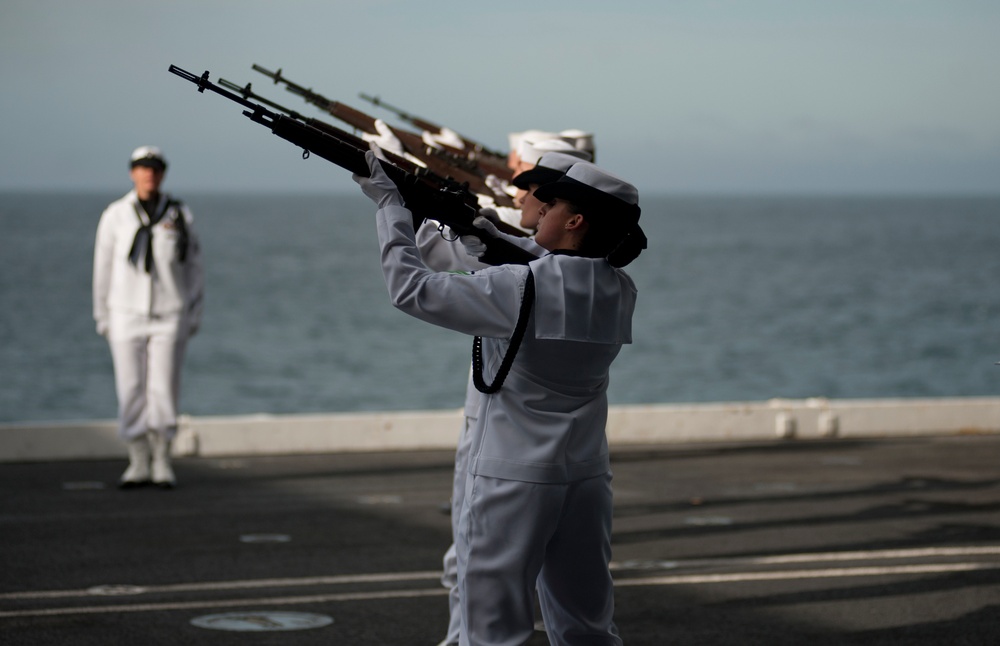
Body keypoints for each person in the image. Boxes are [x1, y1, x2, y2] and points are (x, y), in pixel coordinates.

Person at [355, 152, 645, 645]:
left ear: (574, 221)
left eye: (551, 205)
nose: (540, 209)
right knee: (587, 627)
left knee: (491, 630)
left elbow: (410, 289)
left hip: (511, 480)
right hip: (584, 477)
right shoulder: (619, 289)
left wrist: (390, 206)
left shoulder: (520, 287)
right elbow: (557, 270)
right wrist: (488, 239)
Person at [93, 146, 204, 489]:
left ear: (163, 173)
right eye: (142, 167)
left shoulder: (179, 213)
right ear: (132, 172)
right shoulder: (116, 214)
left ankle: (162, 459)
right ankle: (137, 460)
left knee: (164, 389)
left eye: (155, 168)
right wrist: (103, 315)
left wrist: (193, 312)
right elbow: (103, 268)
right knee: (130, 387)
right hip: (125, 313)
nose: (149, 174)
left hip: (170, 313)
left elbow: (194, 267)